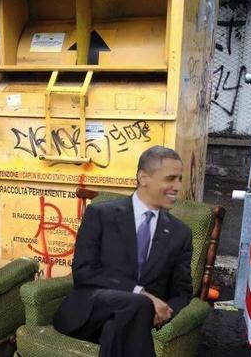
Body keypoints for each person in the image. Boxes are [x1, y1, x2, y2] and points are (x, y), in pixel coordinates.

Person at [53, 146, 193, 357]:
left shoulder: (180, 233)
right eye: (170, 178)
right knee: (138, 303)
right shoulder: (100, 214)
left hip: (134, 319)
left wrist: (163, 313)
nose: (177, 186)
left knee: (121, 323)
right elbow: (83, 272)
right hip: (89, 313)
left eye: (179, 179)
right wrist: (142, 294)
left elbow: (182, 292)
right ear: (143, 177)